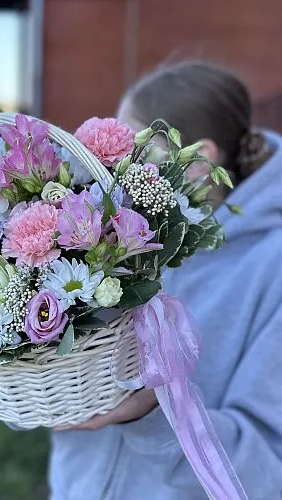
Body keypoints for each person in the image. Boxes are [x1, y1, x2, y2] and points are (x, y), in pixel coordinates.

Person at [48, 61, 282, 499]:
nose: (114, 170)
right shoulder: (114, 232)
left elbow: (267, 471)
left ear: (197, 163)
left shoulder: (273, 268)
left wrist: (155, 412)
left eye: (134, 152)